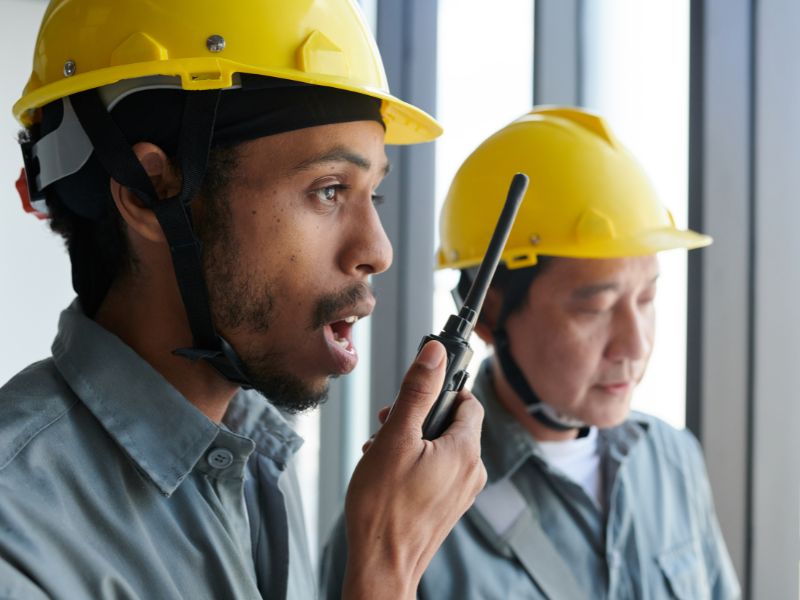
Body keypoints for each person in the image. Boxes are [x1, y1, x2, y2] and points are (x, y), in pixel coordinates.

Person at [0, 1, 486, 599]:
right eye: (329, 190)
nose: (378, 251)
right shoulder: (17, 525)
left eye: (374, 195)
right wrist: (386, 566)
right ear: (150, 193)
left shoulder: (258, 464)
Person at [322, 107, 740, 599]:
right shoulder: (399, 520)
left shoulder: (671, 461)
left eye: (646, 299)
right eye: (596, 309)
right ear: (491, 315)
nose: (635, 344)